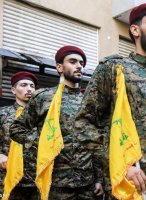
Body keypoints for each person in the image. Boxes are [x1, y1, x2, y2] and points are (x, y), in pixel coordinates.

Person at [74, 3, 146, 200]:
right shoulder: (115, 69)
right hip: (128, 186)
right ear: (135, 30)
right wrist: (121, 164)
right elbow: (83, 124)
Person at [10, 46, 103, 199]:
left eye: (81, 63)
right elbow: (17, 128)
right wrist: (42, 144)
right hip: (56, 183)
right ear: (59, 67)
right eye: (72, 61)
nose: (79, 66)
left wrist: (99, 179)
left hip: (87, 183)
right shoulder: (44, 97)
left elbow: (94, 142)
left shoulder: (89, 101)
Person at [0, 72, 39, 199]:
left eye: (32, 86)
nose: (29, 89)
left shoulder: (42, 116)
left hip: (36, 180)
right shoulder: (3, 114)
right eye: (24, 85)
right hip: (8, 177)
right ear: (13, 90)